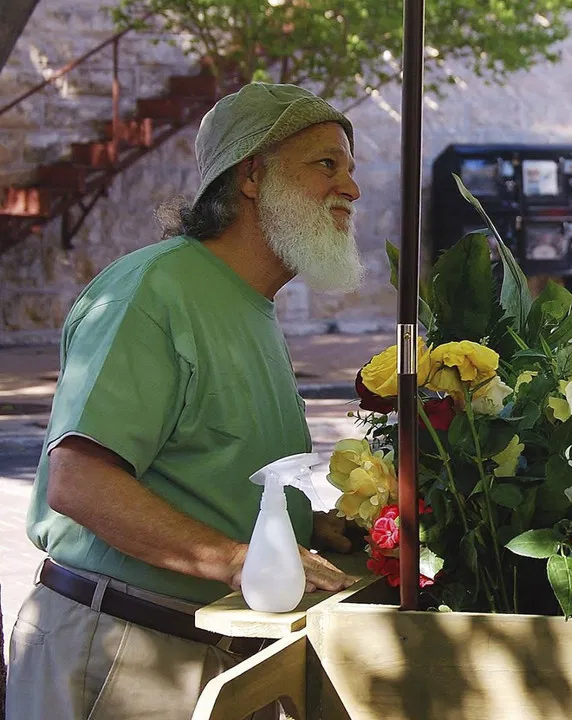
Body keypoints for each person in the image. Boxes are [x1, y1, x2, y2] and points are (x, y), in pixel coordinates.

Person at [4, 82, 365, 720]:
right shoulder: (153, 290)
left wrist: (304, 527)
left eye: (349, 169)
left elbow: (209, 470)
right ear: (251, 175)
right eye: (326, 164)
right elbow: (80, 483)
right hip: (123, 651)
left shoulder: (250, 305)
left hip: (219, 653)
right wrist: (235, 559)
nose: (352, 189)